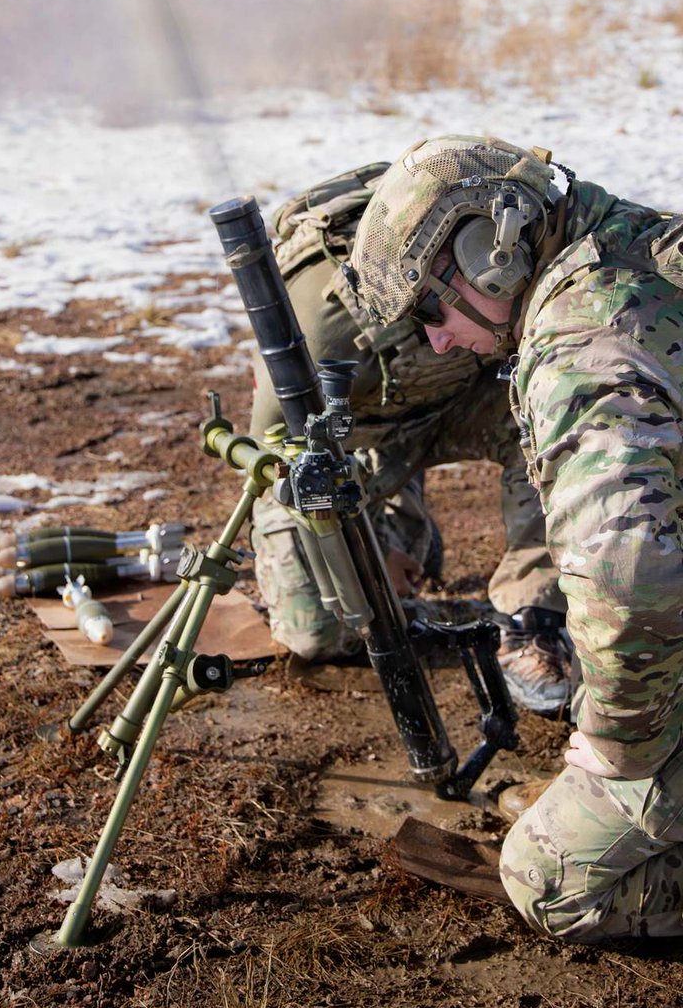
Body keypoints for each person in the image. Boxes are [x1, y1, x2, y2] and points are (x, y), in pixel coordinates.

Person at [346, 133, 683, 940]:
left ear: (487, 249)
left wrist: (620, 751)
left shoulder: (578, 343)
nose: (434, 339)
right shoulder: (642, 245)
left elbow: (630, 570)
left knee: (548, 879)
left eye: (432, 305)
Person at [250, 161, 570, 714]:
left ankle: (531, 618)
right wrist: (373, 555)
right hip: (346, 447)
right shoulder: (324, 326)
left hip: (446, 410)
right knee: (320, 635)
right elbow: (278, 458)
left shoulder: (518, 261)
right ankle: (395, 515)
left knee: (548, 420)